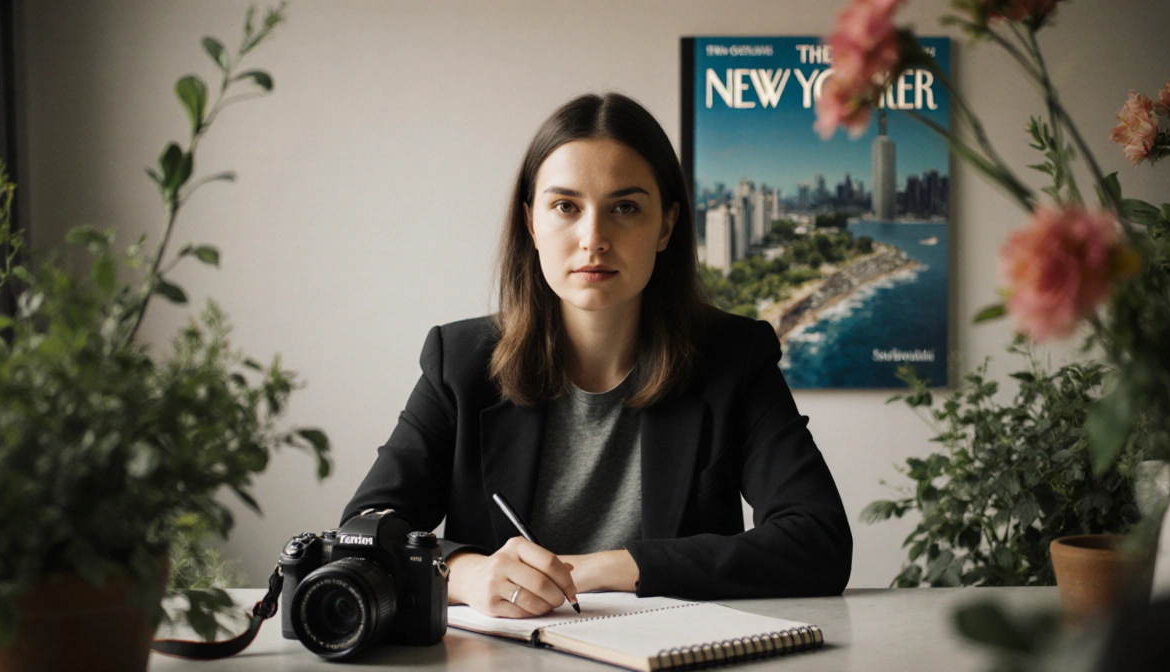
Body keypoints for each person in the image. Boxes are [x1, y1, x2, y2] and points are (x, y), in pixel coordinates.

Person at [342, 92, 852, 619]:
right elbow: (364, 530)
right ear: (531, 222)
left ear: (667, 226)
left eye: (625, 208)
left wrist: (606, 568)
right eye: (566, 206)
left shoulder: (734, 358)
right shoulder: (461, 361)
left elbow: (818, 542)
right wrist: (467, 574)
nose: (594, 239)